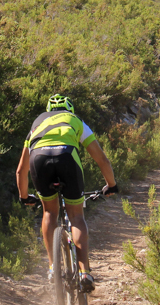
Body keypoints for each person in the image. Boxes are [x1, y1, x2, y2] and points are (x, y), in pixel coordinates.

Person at [16, 94, 117, 293]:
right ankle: (84, 272)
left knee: (49, 213)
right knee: (77, 216)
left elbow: (21, 170)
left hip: (39, 160)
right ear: (69, 109)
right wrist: (111, 185)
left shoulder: (36, 125)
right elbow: (101, 159)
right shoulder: (76, 120)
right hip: (67, 158)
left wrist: (24, 196)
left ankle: (53, 267)